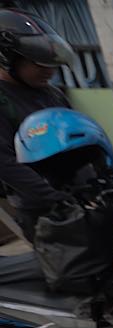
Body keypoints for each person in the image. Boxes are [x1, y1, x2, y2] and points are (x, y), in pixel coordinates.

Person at [0, 8, 74, 242]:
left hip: (77, 198)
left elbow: (77, 134)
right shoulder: (3, 100)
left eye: (52, 65)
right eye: (40, 65)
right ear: (7, 58)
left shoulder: (52, 94)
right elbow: (5, 163)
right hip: (41, 211)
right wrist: (53, 197)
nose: (50, 72)